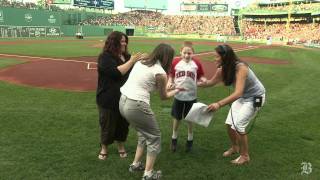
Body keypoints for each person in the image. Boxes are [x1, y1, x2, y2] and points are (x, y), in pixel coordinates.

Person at [119, 43, 184, 180]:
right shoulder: (160, 73)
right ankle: (148, 174)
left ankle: (136, 164)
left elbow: (147, 83)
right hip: (136, 105)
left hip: (123, 102)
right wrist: (177, 89)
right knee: (154, 137)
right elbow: (164, 96)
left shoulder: (141, 62)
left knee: (143, 133)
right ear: (168, 58)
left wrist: (168, 85)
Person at [201, 44, 266, 165]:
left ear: (225, 57)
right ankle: (235, 147)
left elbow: (238, 93)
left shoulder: (241, 67)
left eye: (216, 57)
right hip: (243, 97)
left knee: (238, 125)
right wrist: (193, 83)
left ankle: (245, 156)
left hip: (255, 97)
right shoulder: (222, 69)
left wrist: (219, 104)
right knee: (229, 124)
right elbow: (210, 83)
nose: (214, 59)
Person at [96, 31, 143, 160]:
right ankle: (104, 147)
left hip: (125, 97)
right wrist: (132, 61)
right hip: (108, 98)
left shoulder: (127, 57)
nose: (125, 43)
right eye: (122, 41)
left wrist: (141, 60)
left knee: (123, 124)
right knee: (108, 124)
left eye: (125, 41)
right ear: (114, 42)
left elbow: (135, 71)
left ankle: (121, 146)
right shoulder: (105, 57)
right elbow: (116, 73)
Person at [166, 41, 206, 152]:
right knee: (177, 118)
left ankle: (190, 139)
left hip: (191, 96)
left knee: (190, 119)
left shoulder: (196, 63)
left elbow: (201, 75)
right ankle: (174, 138)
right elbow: (171, 75)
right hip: (178, 96)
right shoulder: (175, 62)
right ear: (180, 52)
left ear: (193, 53)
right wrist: (170, 81)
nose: (187, 55)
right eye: (184, 53)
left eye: (189, 53)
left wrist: (203, 80)